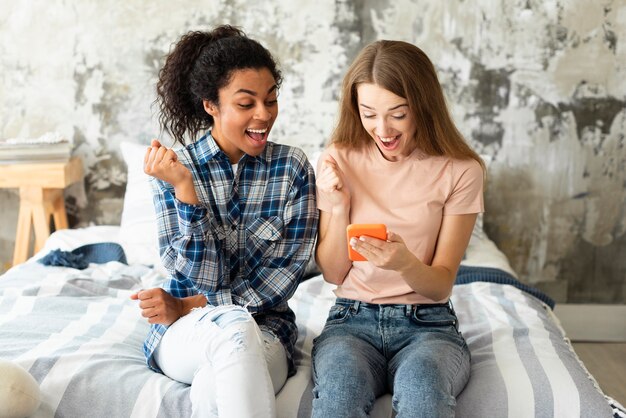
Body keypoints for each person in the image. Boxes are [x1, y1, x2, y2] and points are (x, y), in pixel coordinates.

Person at [130, 25, 318, 418]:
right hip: (184, 336)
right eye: (246, 104)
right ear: (211, 105)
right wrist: (186, 189)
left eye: (270, 100)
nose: (264, 115)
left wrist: (185, 306)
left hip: (265, 333)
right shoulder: (174, 170)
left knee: (215, 383)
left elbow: (282, 279)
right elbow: (204, 274)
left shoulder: (292, 168)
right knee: (234, 329)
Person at [312, 40, 485, 418]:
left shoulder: (461, 170)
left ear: (423, 105)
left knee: (424, 391)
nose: (382, 129)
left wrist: (405, 264)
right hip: (350, 321)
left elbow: (440, 284)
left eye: (398, 114)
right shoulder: (338, 157)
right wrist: (338, 207)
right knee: (338, 396)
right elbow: (332, 272)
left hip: (429, 325)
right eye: (368, 113)